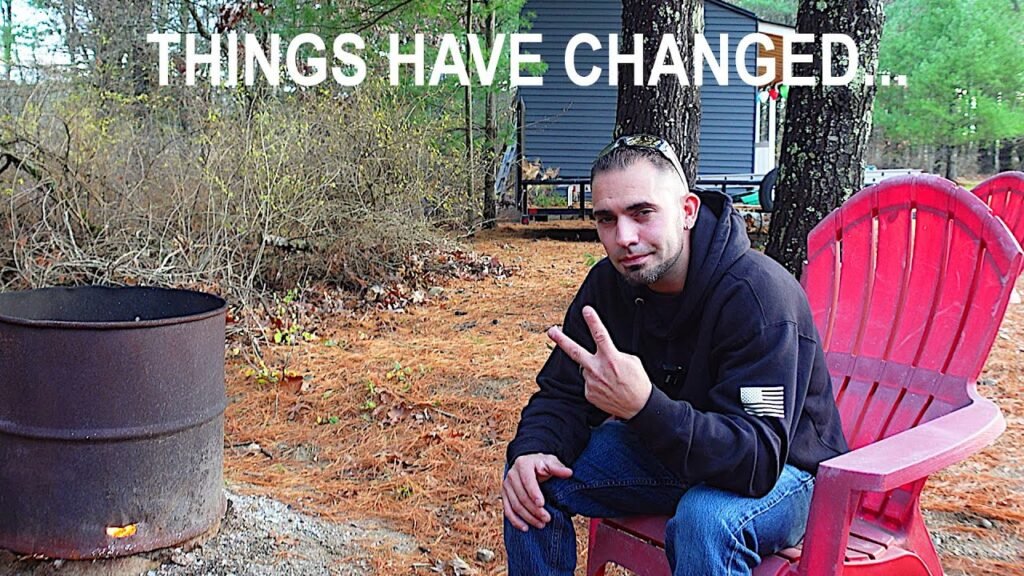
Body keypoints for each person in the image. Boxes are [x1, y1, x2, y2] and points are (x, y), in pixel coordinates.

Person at [501, 134, 849, 575]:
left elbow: (757, 461)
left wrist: (645, 407)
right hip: (676, 451)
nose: (624, 238)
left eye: (642, 213)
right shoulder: (610, 285)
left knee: (706, 521)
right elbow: (561, 393)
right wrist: (533, 448)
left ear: (687, 211)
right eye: (606, 219)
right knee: (533, 479)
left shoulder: (758, 297)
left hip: (786, 471)